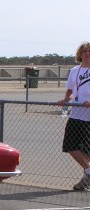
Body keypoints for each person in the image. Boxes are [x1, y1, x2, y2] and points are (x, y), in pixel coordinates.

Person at [58, 42, 90, 190]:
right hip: (76, 114)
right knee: (70, 145)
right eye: (84, 51)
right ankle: (88, 171)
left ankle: (86, 178)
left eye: (89, 51)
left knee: (87, 150)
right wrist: (65, 99)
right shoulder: (74, 71)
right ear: (80, 54)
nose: (87, 54)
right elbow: (70, 91)